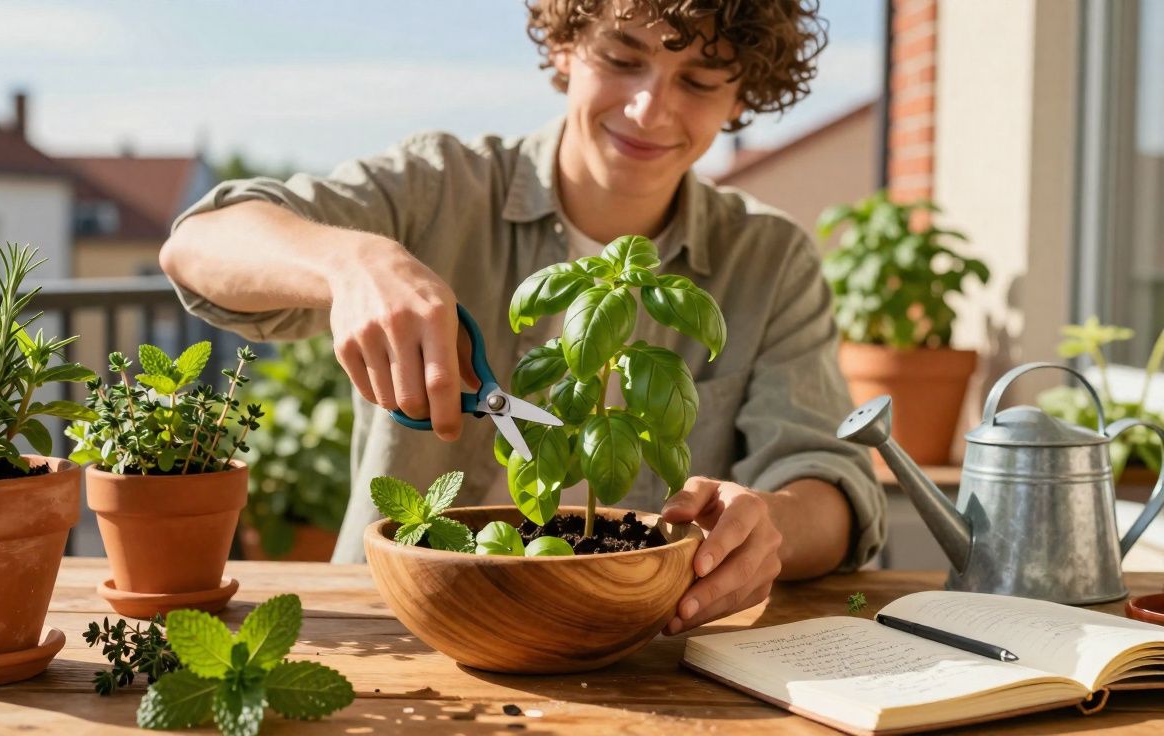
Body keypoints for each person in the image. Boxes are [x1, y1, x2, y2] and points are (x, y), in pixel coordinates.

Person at [160, 0, 885, 635]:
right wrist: (350, 264)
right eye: (622, 57)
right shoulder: (441, 186)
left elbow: (827, 479)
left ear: (740, 98)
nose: (649, 109)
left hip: (642, 651)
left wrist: (769, 527)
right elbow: (200, 244)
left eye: (697, 82)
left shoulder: (769, 259)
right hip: (398, 629)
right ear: (568, 46)